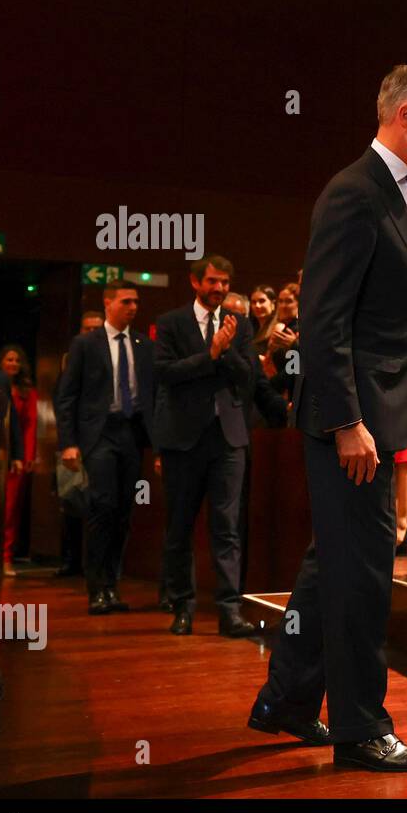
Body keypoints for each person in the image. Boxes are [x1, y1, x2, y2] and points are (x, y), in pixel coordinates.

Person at [250, 62, 407, 773]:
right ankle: (362, 728)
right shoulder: (353, 192)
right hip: (354, 423)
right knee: (363, 577)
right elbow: (324, 321)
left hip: (386, 413)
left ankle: (286, 701)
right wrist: (345, 423)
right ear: (403, 113)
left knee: (332, 565)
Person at [154, 256, 257, 638]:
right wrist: (209, 355)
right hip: (182, 439)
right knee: (179, 528)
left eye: (225, 282)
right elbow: (164, 373)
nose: (219, 288)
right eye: (212, 281)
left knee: (227, 528)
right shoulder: (171, 323)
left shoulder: (240, 325)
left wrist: (226, 351)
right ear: (196, 282)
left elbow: (249, 379)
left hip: (228, 439)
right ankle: (183, 608)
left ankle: (230, 611)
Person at [54, 280, 155, 614]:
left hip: (132, 433)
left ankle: (112, 586)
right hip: (99, 434)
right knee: (103, 506)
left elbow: (153, 395)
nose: (133, 307)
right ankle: (96, 588)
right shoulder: (86, 343)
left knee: (125, 511)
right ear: (108, 302)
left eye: (136, 302)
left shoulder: (143, 344)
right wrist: (68, 443)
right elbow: (67, 395)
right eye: (126, 301)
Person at [56, 310, 105, 579]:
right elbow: (63, 399)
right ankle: (70, 561)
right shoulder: (72, 357)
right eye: (87, 329)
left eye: (96, 329)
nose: (91, 334)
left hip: (99, 441)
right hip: (73, 442)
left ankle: (96, 566)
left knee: (100, 505)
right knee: (72, 503)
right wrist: (68, 441)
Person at [0, 345, 38, 570]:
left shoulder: (27, 391)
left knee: (11, 509)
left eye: (17, 360)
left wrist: (27, 455)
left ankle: (6, 557)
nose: (13, 364)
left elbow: (30, 425)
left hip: (16, 454)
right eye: (9, 359)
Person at [250, 284, 278, 354]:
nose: (257, 306)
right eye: (253, 302)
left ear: (273, 303)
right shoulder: (250, 326)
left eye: (262, 301)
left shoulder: (277, 328)